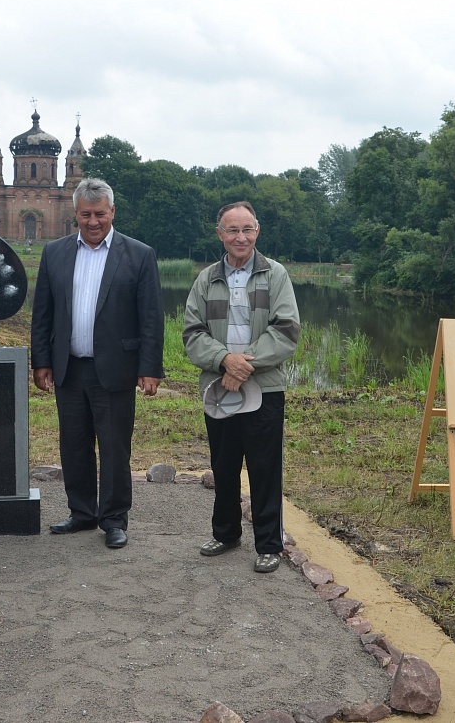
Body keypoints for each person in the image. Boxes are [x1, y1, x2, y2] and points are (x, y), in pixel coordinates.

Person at [30, 178, 164, 549]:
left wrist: (150, 367)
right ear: (75, 214)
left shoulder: (138, 254)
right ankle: (82, 512)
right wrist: (40, 360)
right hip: (68, 368)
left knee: (114, 447)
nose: (93, 221)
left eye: (100, 214)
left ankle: (114, 519)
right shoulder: (54, 253)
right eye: (86, 214)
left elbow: (151, 317)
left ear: (112, 212)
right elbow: (42, 313)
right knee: (73, 444)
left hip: (116, 369)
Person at [183, 201, 299, 573]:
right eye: (232, 230)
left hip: (263, 387)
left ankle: (268, 544)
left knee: (264, 467)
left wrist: (242, 365)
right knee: (224, 463)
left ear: (257, 231)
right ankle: (226, 532)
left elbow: (285, 331)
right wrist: (223, 361)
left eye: (247, 229)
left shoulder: (275, 274)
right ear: (220, 234)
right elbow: (192, 334)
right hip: (220, 387)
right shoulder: (206, 279)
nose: (240, 237)